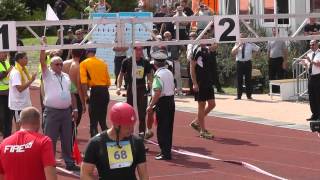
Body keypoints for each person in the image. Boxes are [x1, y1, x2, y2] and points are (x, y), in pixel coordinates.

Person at [40, 37, 80, 171]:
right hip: (52, 112)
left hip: (66, 112)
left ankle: (69, 162)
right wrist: (43, 46)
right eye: (56, 64)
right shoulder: (47, 75)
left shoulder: (67, 77)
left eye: (61, 64)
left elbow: (72, 94)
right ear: (51, 65)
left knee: (67, 138)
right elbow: (41, 61)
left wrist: (75, 109)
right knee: (50, 139)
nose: (59, 66)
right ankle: (48, 163)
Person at [81, 102, 149, 180]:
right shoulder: (96, 143)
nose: (132, 129)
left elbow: (143, 174)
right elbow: (85, 174)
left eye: (132, 124)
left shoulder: (137, 142)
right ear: (116, 124)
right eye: (127, 126)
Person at [0, 107, 57, 180]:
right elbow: (51, 176)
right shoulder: (44, 141)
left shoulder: (3, 144)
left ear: (20, 122)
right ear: (38, 123)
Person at [116, 47, 153, 136]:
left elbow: (149, 76)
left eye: (141, 50)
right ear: (133, 51)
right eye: (137, 50)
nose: (139, 52)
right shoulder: (126, 61)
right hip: (130, 89)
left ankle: (141, 136)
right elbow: (120, 75)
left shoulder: (145, 62)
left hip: (141, 89)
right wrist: (118, 87)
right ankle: (129, 134)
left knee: (142, 115)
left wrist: (151, 86)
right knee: (129, 113)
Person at [147, 50, 175, 160]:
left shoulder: (158, 75)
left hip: (162, 103)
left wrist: (151, 105)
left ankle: (164, 152)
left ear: (155, 64)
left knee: (161, 129)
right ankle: (166, 151)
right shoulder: (169, 72)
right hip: (170, 101)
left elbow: (157, 92)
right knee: (168, 128)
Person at [189, 32, 217, 139]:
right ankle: (203, 130)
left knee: (212, 104)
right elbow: (192, 68)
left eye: (206, 37)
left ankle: (196, 122)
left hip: (208, 81)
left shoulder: (207, 49)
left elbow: (215, 46)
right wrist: (195, 83)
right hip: (200, 82)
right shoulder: (197, 50)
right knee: (201, 105)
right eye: (203, 37)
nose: (206, 39)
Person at [80, 45, 111, 137]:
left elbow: (83, 82)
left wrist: (85, 96)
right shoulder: (103, 62)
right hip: (105, 91)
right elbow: (108, 82)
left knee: (93, 122)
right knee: (102, 120)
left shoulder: (84, 63)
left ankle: (94, 145)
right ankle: (108, 141)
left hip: (95, 91)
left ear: (87, 52)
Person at [9, 52, 36, 131]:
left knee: (26, 125)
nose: (27, 60)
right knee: (19, 126)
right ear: (20, 59)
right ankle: (19, 143)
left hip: (24, 103)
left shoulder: (23, 70)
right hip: (18, 105)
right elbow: (20, 89)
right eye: (25, 58)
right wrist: (31, 80)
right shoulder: (16, 72)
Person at [231, 33, 260, 100]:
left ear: (246, 38)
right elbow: (232, 52)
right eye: (241, 37)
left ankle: (249, 96)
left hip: (247, 63)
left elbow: (258, 49)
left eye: (243, 37)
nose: (242, 39)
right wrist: (238, 46)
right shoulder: (237, 44)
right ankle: (239, 96)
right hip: (239, 63)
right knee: (239, 80)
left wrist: (254, 55)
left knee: (248, 80)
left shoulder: (250, 44)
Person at [62, 48, 86, 129]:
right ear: (82, 54)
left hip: (63, 94)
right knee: (75, 120)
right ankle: (70, 137)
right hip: (75, 95)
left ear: (71, 53)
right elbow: (79, 87)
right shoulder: (78, 66)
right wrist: (83, 103)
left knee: (65, 117)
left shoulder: (63, 63)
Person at [302, 40, 320, 121]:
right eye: (310, 45)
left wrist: (310, 61)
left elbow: (318, 64)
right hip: (311, 77)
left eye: (313, 45)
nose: (311, 46)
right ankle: (314, 114)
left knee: (318, 96)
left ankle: (319, 115)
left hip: (318, 77)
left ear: (317, 45)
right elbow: (307, 66)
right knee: (311, 97)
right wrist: (305, 64)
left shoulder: (319, 54)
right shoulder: (309, 54)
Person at [0, 51, 13, 138]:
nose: (5, 54)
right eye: (3, 52)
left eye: (6, 53)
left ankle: (7, 136)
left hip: (9, 93)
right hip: (1, 94)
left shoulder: (7, 62)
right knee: (2, 117)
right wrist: (7, 71)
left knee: (9, 117)